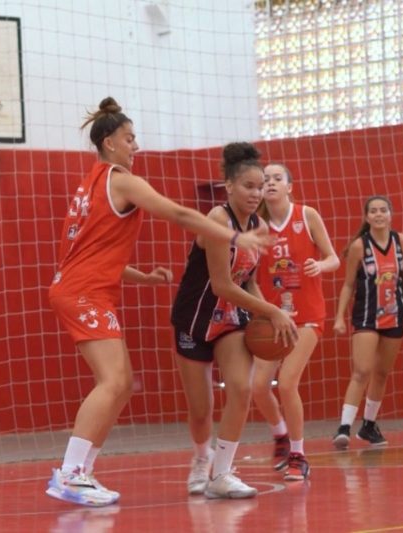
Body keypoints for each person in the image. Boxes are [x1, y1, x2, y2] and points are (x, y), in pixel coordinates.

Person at [46, 99, 275, 508]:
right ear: (109, 142)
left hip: (80, 287)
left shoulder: (91, 184)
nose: (136, 145)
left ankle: (81, 472)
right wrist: (235, 237)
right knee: (113, 381)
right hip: (84, 293)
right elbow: (179, 214)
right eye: (129, 138)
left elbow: (89, 252)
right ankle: (71, 473)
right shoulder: (121, 180)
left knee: (120, 383)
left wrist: (142, 277)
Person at [171, 143, 298, 499]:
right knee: (201, 410)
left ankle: (222, 474)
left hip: (230, 318)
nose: (256, 193)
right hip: (195, 319)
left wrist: (269, 311)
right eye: (248, 186)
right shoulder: (217, 219)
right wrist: (272, 312)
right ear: (229, 186)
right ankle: (202, 459)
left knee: (241, 388)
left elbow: (248, 280)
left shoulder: (258, 224)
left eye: (261, 187)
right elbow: (222, 284)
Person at [251, 163, 339, 480]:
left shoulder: (306, 215)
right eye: (265, 179)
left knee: (287, 382)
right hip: (275, 318)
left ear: (289, 186)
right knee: (258, 386)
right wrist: (263, 310)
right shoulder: (256, 226)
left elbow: (334, 258)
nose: (271, 182)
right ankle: (280, 435)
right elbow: (251, 276)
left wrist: (320, 266)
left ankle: (298, 456)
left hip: (308, 316)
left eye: (277, 178)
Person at [331, 196, 403, 450]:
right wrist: (339, 316)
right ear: (367, 217)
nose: (378, 214)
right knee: (362, 370)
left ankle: (369, 425)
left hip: (395, 314)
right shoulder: (359, 246)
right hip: (366, 315)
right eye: (373, 211)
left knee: (382, 373)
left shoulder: (402, 242)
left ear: (390, 214)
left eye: (383, 210)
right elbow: (348, 284)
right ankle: (344, 427)